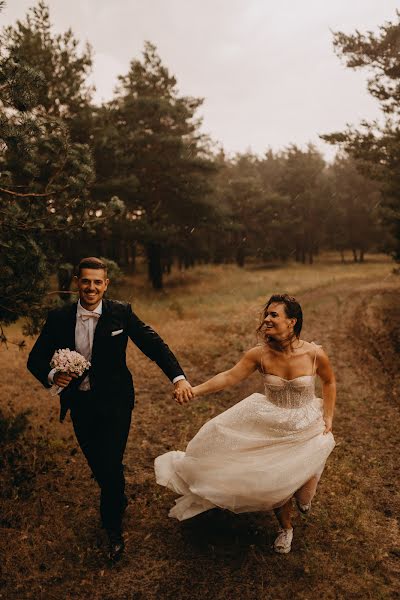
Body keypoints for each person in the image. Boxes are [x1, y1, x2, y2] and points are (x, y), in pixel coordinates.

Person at [27, 257, 193, 561]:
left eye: (97, 282)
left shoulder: (121, 312)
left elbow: (153, 345)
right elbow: (34, 360)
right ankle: (117, 496)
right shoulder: (59, 318)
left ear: (106, 284)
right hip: (80, 404)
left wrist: (178, 378)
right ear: (77, 281)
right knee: (100, 465)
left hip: (116, 402)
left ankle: (112, 529)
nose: (91, 287)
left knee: (112, 462)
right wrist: (53, 375)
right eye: (86, 281)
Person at [155, 294, 336, 554]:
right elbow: (229, 377)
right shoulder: (259, 355)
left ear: (292, 321)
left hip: (305, 420)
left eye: (274, 314)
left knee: (304, 496)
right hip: (272, 422)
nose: (267, 319)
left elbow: (329, 382)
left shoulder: (314, 353)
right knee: (277, 480)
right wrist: (195, 391)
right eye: (266, 314)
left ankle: (304, 486)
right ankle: (286, 529)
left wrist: (328, 416)